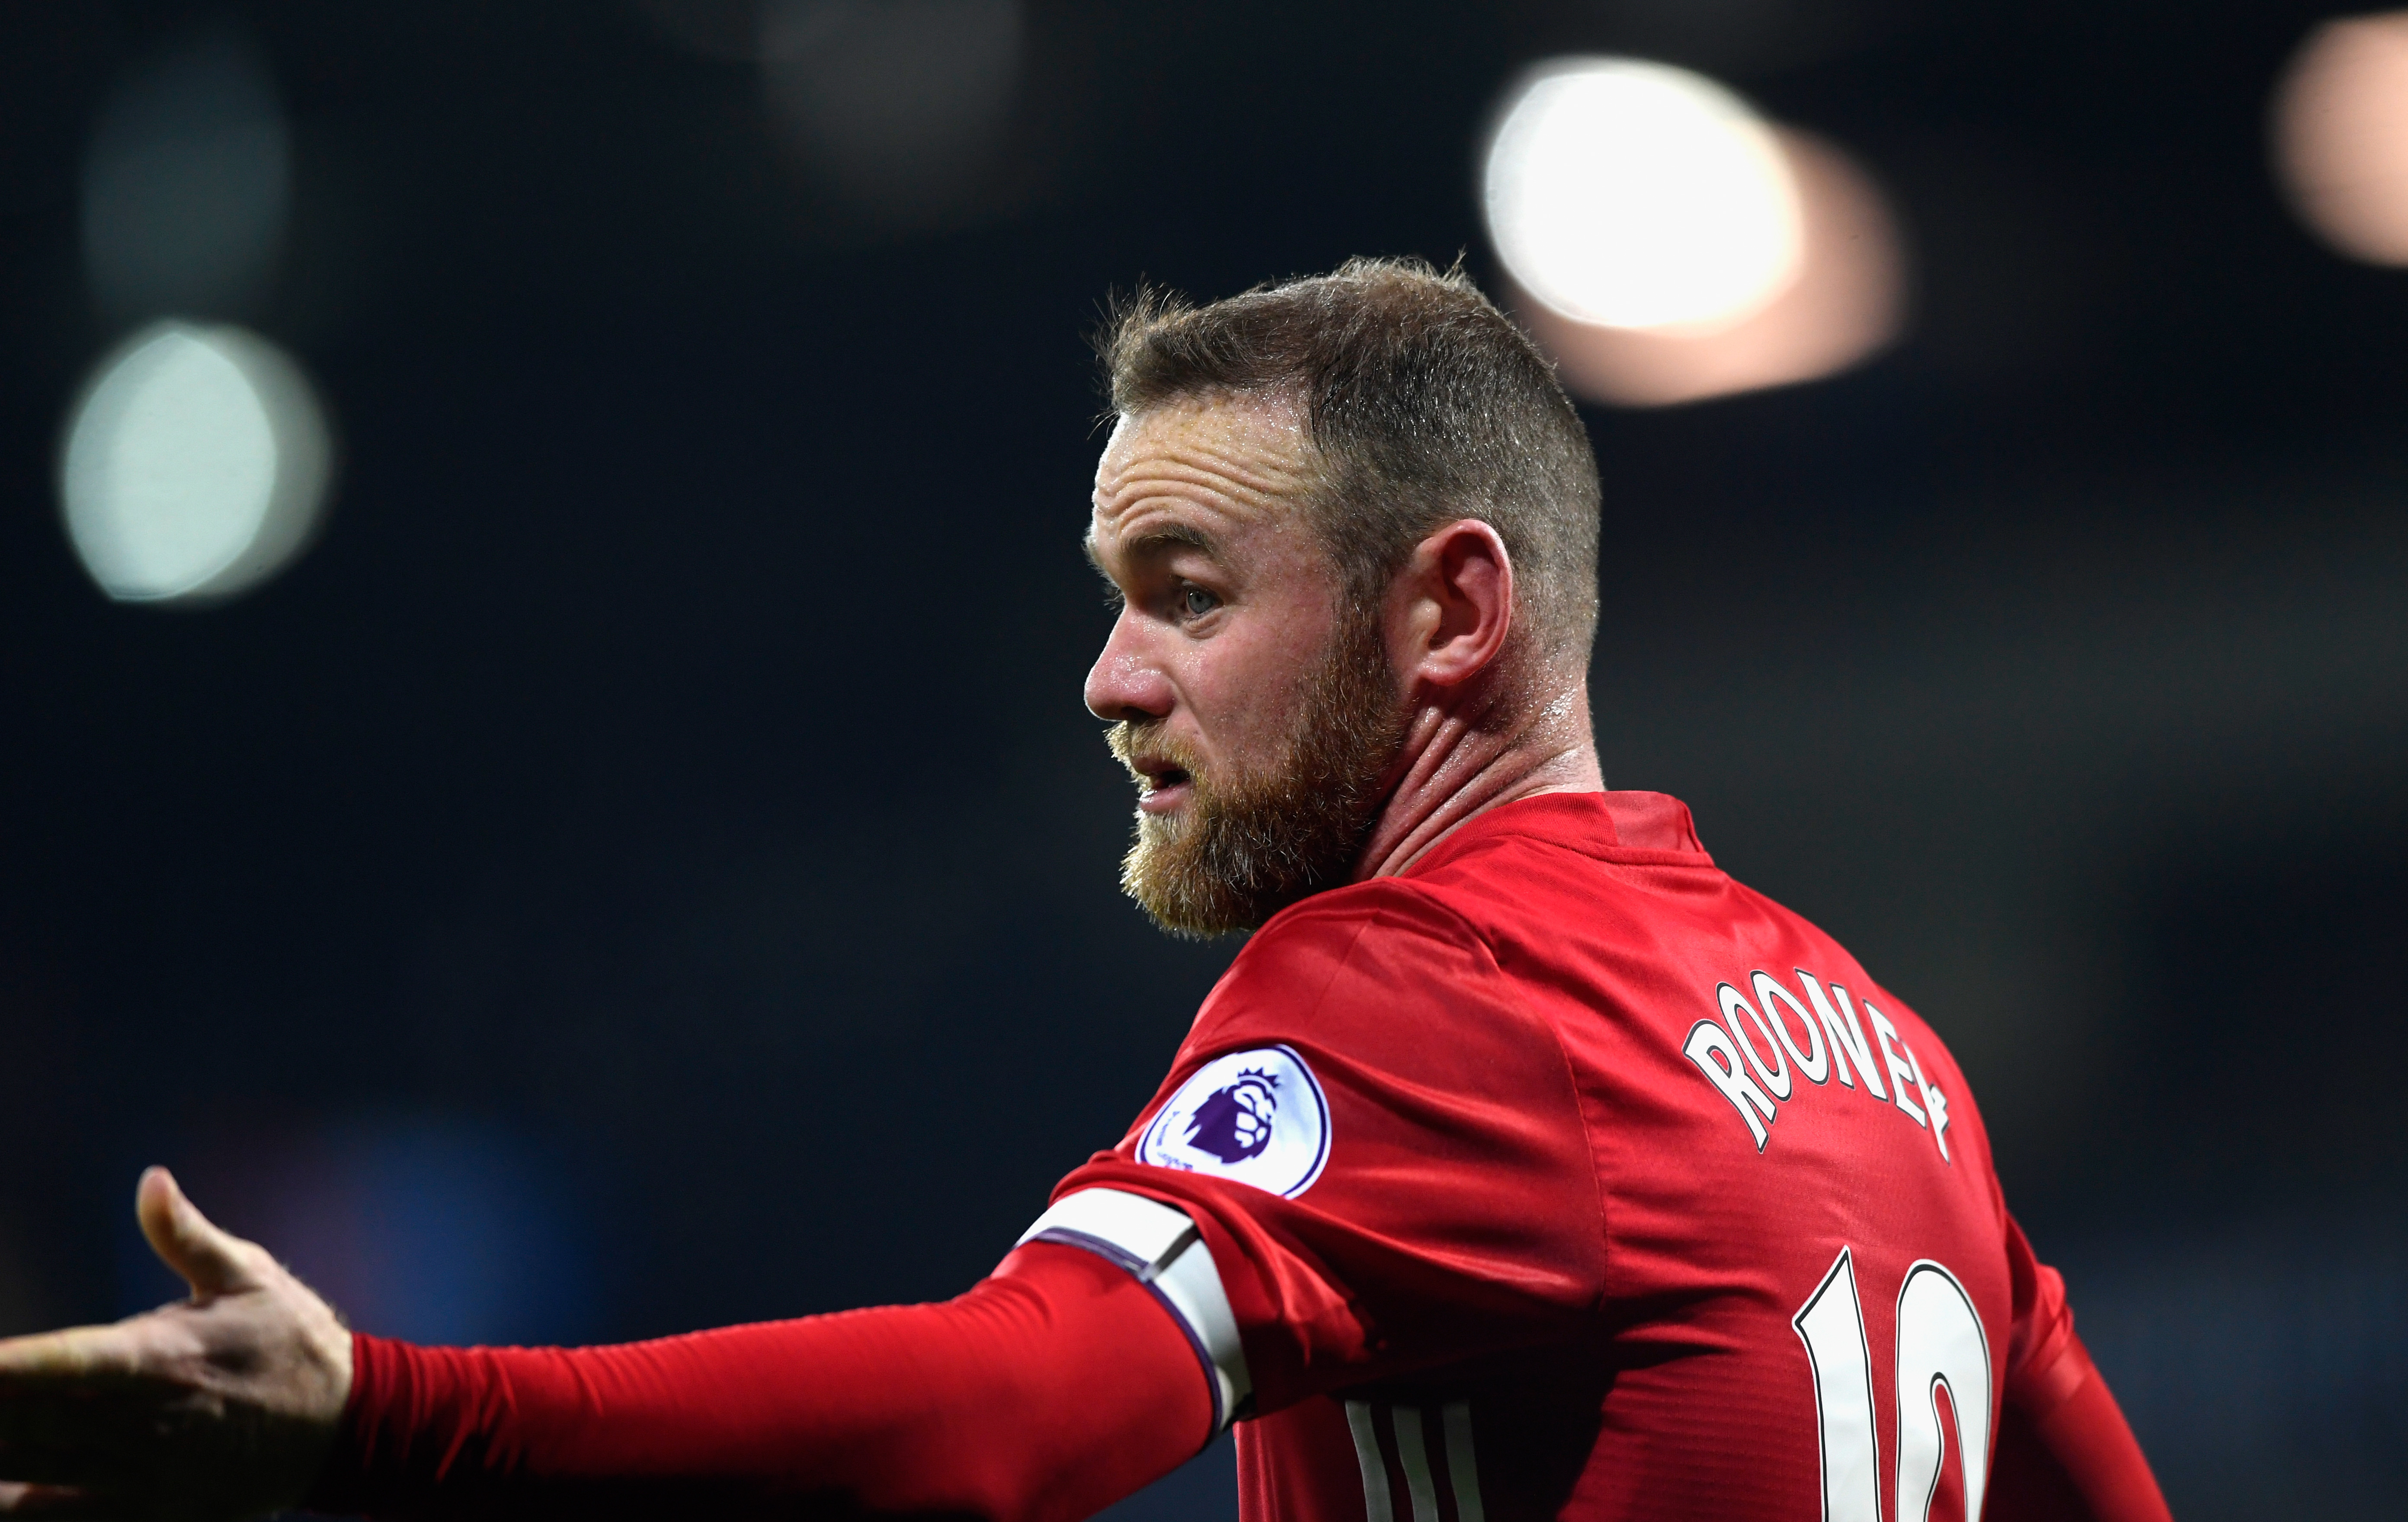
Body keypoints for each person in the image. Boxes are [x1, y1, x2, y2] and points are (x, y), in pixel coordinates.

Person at [0, 259, 2169, 1522]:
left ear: (1450, 614)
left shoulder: (1428, 989)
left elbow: (1006, 1408)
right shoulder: (1890, 1059)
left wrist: (383, 1412)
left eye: (1188, 594)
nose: (1113, 677)